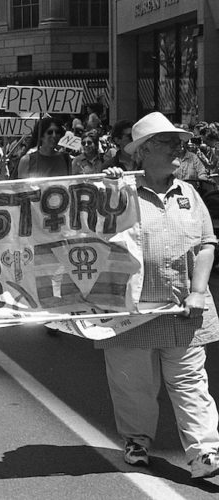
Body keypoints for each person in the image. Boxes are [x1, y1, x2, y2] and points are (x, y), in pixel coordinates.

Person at [98, 112, 219, 479]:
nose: (179, 150)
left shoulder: (189, 192)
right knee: (133, 383)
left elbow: (207, 244)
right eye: (170, 143)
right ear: (145, 150)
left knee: (190, 381)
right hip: (132, 310)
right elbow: (90, 234)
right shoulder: (121, 192)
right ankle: (136, 440)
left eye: (179, 143)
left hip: (184, 308)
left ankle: (205, 451)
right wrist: (104, 191)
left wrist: (199, 292)